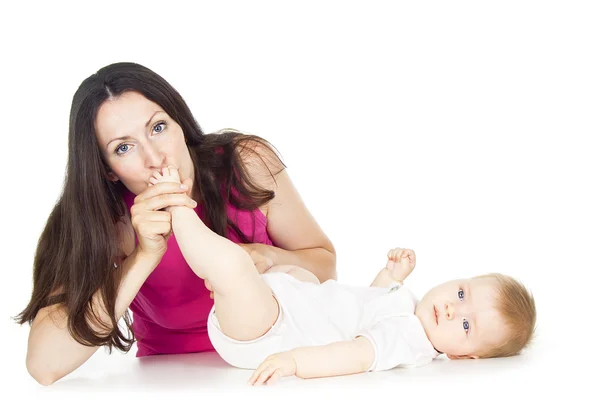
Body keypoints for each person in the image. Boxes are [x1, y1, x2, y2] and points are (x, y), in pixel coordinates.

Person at [14, 62, 337, 386]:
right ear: (108, 170)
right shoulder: (104, 220)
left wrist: (271, 258)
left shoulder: (247, 165)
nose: (155, 158)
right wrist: (142, 257)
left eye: (158, 128)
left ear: (179, 122)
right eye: (123, 148)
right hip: (173, 381)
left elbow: (326, 267)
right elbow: (44, 365)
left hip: (280, 363)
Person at [149, 165, 537, 385]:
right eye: (463, 294)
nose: (453, 309)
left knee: (233, 266)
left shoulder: (408, 341)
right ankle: (253, 283)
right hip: (281, 306)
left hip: (268, 336)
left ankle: (179, 208)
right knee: (309, 279)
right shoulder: (408, 310)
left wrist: (294, 363)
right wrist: (390, 275)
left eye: (466, 325)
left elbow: (352, 354)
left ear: (465, 357)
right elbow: (367, 305)